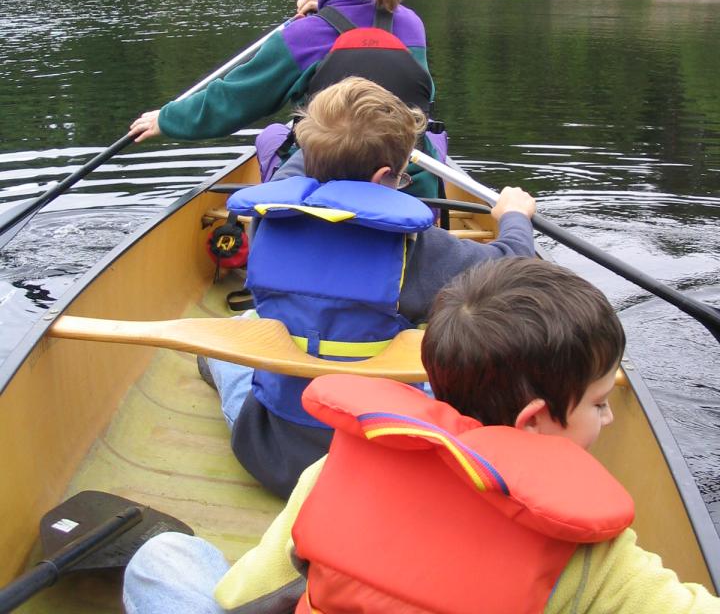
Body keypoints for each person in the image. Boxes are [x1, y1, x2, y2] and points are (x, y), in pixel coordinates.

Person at [123, 258, 720, 614]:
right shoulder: (594, 556)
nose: (609, 418)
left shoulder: (332, 472)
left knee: (163, 559)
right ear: (533, 419)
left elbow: (240, 597)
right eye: (599, 403)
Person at [204, 77, 536, 498]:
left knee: (239, 333)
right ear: (383, 178)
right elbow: (513, 264)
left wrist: (330, 140)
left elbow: (305, 163)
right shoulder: (413, 248)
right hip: (377, 458)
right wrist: (514, 216)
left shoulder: (267, 216)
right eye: (402, 176)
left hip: (273, 454)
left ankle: (209, 361)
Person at [128, 0, 444, 195]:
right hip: (408, 183)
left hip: (324, 184)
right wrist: (326, 7)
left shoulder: (303, 35)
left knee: (273, 135)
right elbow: (404, 81)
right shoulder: (411, 24)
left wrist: (167, 119)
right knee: (433, 137)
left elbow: (234, 100)